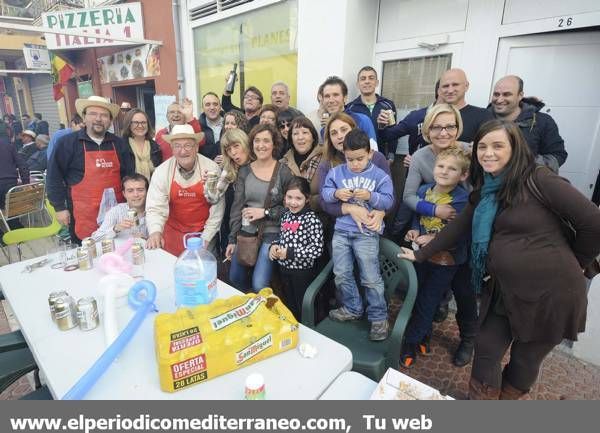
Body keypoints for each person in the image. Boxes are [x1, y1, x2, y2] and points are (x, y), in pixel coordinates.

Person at [399, 119, 600, 399]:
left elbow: (593, 222)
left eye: (497, 146)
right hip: (503, 290)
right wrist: (420, 254)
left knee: (524, 360)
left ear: (515, 148)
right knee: (487, 349)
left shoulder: (539, 179)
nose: (488, 153)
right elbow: (457, 228)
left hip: (551, 293)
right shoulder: (485, 190)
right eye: (482, 146)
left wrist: (576, 261)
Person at [399, 103, 479, 366]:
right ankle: (422, 337)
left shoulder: (469, 156)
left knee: (444, 297)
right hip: (425, 252)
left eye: (449, 126)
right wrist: (417, 225)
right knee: (421, 296)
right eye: (436, 126)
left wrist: (431, 239)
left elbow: (457, 227)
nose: (443, 132)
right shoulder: (424, 176)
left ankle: (412, 342)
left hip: (450, 253)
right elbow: (413, 199)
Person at [321, 129, 394, 341]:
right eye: (350, 159)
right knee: (341, 273)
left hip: (367, 233)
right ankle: (353, 308)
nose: (355, 164)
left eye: (360, 159)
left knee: (370, 277)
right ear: (343, 154)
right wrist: (336, 194)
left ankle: (379, 318)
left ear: (370, 154)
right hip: (342, 231)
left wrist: (372, 196)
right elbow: (325, 194)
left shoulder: (379, 175)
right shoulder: (336, 173)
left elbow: (389, 201)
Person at [46, 95, 133, 244]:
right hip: (82, 214)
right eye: (93, 114)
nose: (99, 119)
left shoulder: (119, 144)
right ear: (84, 117)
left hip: (117, 214)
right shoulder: (67, 143)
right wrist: (59, 208)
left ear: (110, 121)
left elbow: (129, 177)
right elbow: (54, 177)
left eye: (104, 115)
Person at [225, 123, 294, 293]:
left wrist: (264, 212)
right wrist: (232, 239)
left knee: (259, 283)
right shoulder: (244, 171)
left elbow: (293, 209)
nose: (261, 145)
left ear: (274, 144)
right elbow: (237, 206)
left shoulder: (283, 172)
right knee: (235, 277)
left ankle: (265, 310)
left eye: (266, 141)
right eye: (257, 141)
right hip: (247, 231)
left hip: (273, 232)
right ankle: (251, 305)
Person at [145, 124, 224, 257]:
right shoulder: (162, 172)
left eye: (188, 145)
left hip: (203, 233)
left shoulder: (211, 169)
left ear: (197, 147)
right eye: (177, 146)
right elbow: (155, 207)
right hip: (173, 234)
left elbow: (217, 208)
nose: (183, 151)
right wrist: (155, 231)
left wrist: (206, 238)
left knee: (203, 271)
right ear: (171, 149)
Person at [315, 112, 390, 236]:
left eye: (344, 130)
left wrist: (381, 212)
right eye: (334, 133)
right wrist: (351, 209)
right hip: (340, 230)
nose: (339, 136)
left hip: (372, 227)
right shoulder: (326, 164)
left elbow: (390, 195)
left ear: (354, 130)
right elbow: (324, 202)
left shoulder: (377, 158)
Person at [269, 177, 324, 321]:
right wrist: (274, 245)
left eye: (298, 198)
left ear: (307, 199)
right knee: (289, 302)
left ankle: (309, 328)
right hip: (284, 269)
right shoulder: (286, 216)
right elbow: (281, 235)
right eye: (289, 197)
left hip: (302, 272)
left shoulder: (311, 220)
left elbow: (317, 249)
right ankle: (294, 325)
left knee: (303, 304)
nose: (293, 202)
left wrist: (290, 253)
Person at [489, 75, 567, 172]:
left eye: (506, 94)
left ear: (520, 95)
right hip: (486, 184)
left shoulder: (543, 121)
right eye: (496, 94)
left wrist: (519, 162)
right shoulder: (482, 118)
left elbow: (558, 155)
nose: (499, 99)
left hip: (524, 184)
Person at [203, 128, 252, 258]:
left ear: (245, 143)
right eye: (229, 150)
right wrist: (209, 183)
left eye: (236, 146)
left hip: (254, 227)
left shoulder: (259, 165)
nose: (233, 153)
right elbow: (213, 198)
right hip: (231, 225)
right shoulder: (229, 168)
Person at [346, 66, 398, 158]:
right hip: (359, 158)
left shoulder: (388, 105)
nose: (367, 81)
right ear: (358, 84)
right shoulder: (350, 108)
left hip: (382, 156)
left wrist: (391, 156)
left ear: (377, 82)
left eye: (371, 78)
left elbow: (394, 133)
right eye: (363, 79)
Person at [320, 76, 378, 149]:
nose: (331, 100)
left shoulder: (362, 120)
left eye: (335, 95)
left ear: (345, 98)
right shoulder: (324, 130)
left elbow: (373, 153)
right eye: (327, 96)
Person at [438, 68, 493, 142]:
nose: (450, 90)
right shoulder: (433, 117)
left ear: (466, 86)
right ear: (439, 90)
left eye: (455, 85)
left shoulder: (483, 116)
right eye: (445, 86)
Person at [91, 174, 149, 240]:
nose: (136, 195)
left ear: (147, 192)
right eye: (130, 191)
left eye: (140, 190)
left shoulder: (156, 211)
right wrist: (115, 229)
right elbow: (95, 238)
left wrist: (146, 240)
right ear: (124, 194)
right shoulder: (116, 211)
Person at [280, 116, 323, 198]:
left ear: (313, 137)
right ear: (291, 139)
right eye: (295, 133)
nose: (300, 137)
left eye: (305, 132)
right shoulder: (282, 164)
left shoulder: (326, 158)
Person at [0, 123, 29, 230]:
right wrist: (26, 183)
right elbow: (22, 165)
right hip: (10, 185)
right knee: (11, 212)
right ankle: (17, 231)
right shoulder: (8, 145)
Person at [121, 109, 162, 180]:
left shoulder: (155, 146)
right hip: (130, 189)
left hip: (152, 188)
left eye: (143, 122)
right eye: (136, 122)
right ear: (129, 124)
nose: (140, 126)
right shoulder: (121, 145)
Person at [199, 92, 224, 162]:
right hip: (207, 170)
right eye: (207, 105)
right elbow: (196, 154)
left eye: (215, 104)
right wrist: (211, 162)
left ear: (220, 107)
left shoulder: (230, 124)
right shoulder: (197, 128)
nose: (212, 107)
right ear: (203, 108)